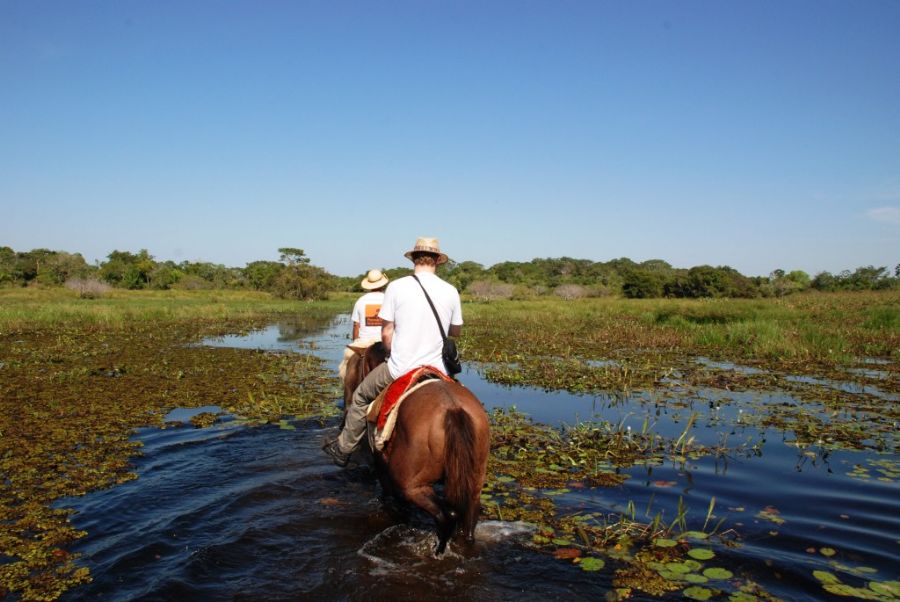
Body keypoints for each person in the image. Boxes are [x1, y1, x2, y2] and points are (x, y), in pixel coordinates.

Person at [323, 237, 463, 467]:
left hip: (401, 367)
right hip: (437, 369)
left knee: (359, 397)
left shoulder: (397, 287)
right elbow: (455, 332)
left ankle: (344, 448)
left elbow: (386, 332)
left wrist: (390, 350)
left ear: (414, 259)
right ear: (438, 260)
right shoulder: (450, 290)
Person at [338, 269, 389, 383]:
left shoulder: (361, 301)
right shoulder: (388, 299)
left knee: (345, 369)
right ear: (383, 284)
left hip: (363, 343)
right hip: (384, 344)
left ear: (369, 285)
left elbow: (356, 325)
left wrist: (355, 342)